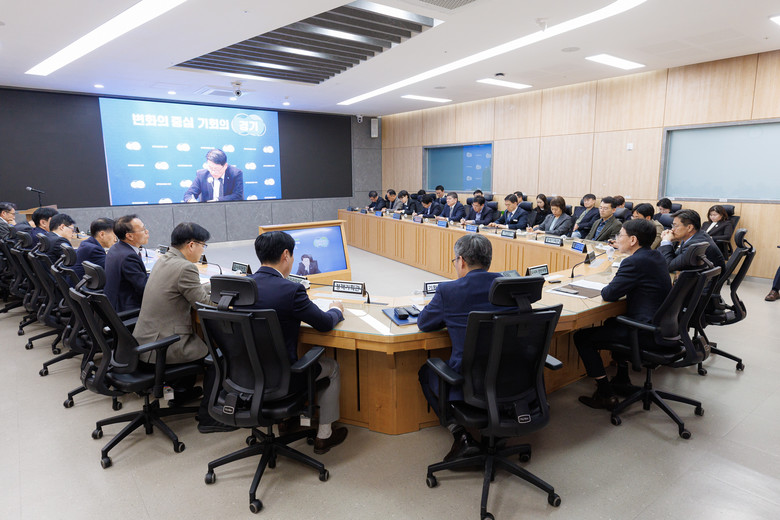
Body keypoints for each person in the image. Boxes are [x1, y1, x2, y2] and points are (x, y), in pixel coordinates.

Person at [245, 231, 348, 454]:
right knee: (331, 367)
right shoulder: (291, 290)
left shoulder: (242, 286)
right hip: (283, 380)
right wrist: (336, 310)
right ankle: (324, 435)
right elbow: (324, 324)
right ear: (286, 255)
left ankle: (285, 421)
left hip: (244, 375)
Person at [417, 234, 504, 461]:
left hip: (469, 385)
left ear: (462, 261)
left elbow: (424, 323)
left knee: (427, 372)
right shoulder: (508, 284)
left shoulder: (449, 291)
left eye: (455, 260)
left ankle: (460, 435)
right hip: (510, 378)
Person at [573, 219, 672, 409]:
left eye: (620, 235)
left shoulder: (634, 262)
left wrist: (613, 282)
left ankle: (605, 394)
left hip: (646, 332)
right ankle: (621, 379)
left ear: (633, 240)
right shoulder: (656, 255)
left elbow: (609, 294)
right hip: (663, 328)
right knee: (612, 322)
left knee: (582, 337)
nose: (617, 238)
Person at [132, 223, 216, 425]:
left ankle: (181, 393)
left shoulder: (164, 259)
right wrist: (230, 301)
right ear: (191, 245)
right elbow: (204, 305)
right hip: (163, 346)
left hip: (144, 341)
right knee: (216, 359)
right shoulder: (186, 268)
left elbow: (188, 288)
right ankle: (209, 418)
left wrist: (215, 285)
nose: (203, 250)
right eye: (203, 245)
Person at [104, 214, 149, 313]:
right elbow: (146, 288)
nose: (147, 231)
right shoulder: (129, 257)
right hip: (127, 310)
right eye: (143, 229)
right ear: (129, 236)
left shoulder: (116, 248)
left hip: (114, 304)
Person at [658, 209, 725, 273]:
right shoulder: (697, 236)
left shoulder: (695, 244)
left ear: (689, 228)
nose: (672, 229)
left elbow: (668, 266)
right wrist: (671, 241)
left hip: (707, 280)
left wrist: (666, 242)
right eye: (673, 225)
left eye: (675, 226)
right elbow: (675, 260)